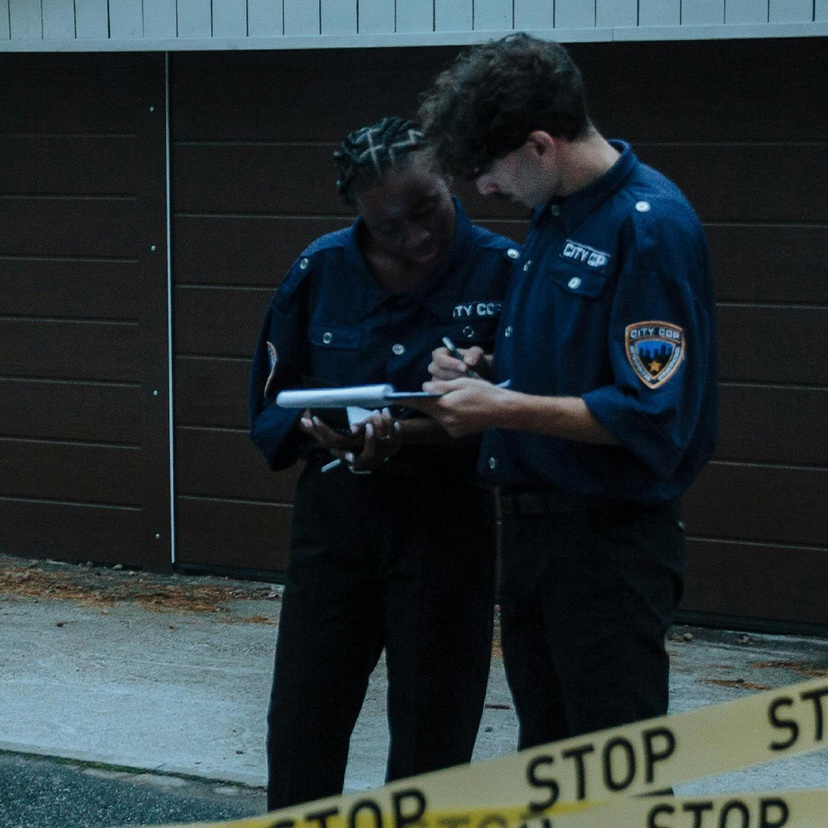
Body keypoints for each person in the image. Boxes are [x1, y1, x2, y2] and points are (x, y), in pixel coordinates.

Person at [413, 34, 718, 750]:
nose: (484, 189)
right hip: (534, 535)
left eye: (489, 169)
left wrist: (503, 409)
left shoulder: (649, 227)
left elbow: (651, 414)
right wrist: (483, 378)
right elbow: (565, 370)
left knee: (614, 769)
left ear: (542, 145)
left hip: (607, 545)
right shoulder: (553, 216)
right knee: (549, 757)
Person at [248, 116, 518, 809]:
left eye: (427, 209)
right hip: (338, 517)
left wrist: (469, 397)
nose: (416, 237)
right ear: (359, 218)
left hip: (446, 521)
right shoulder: (321, 270)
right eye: (389, 227)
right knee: (306, 714)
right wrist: (316, 430)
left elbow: (532, 413)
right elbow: (272, 405)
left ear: (449, 178)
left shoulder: (504, 270)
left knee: (436, 726)